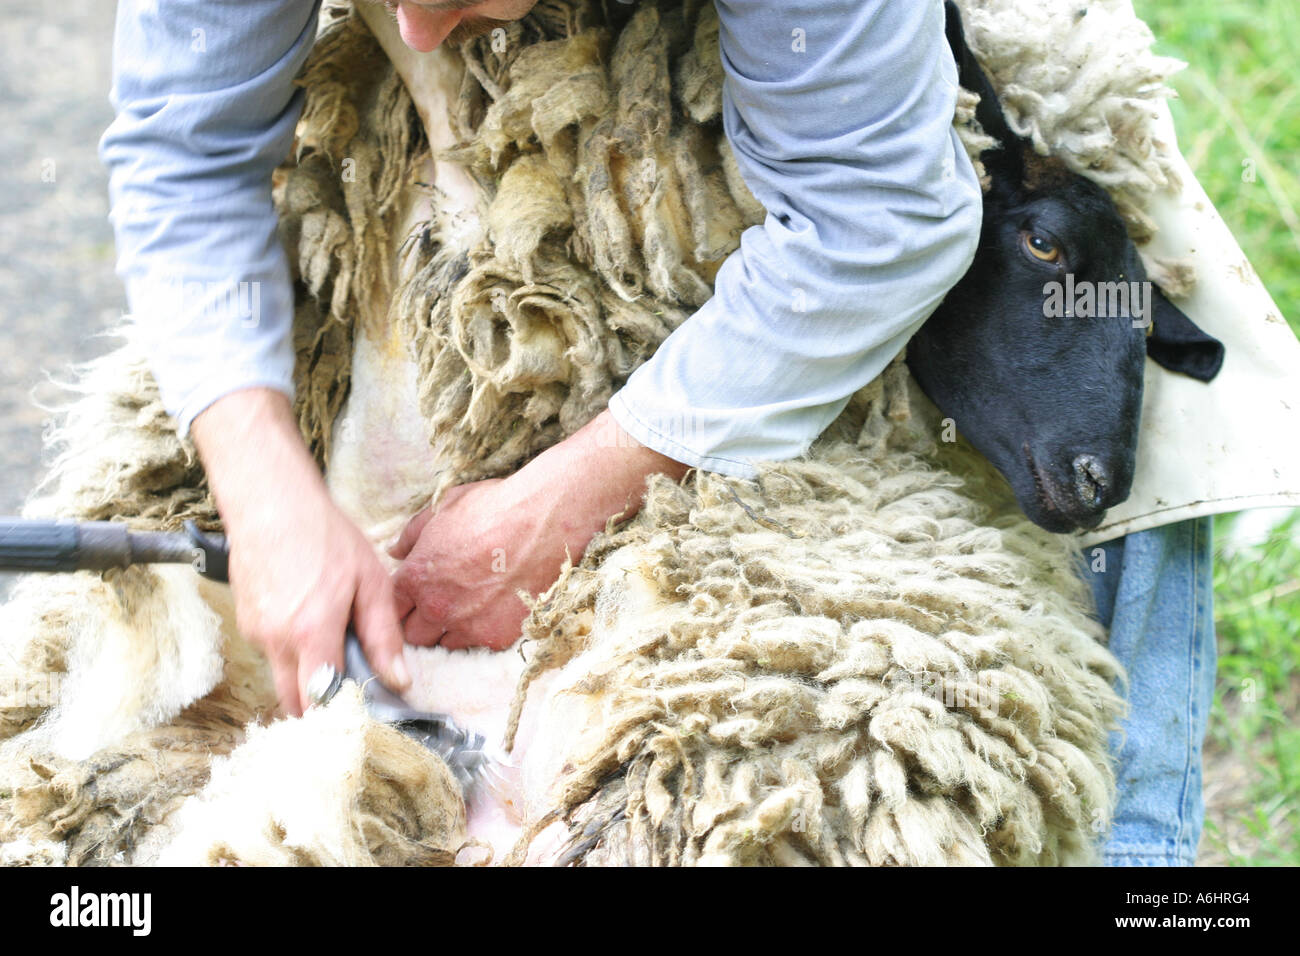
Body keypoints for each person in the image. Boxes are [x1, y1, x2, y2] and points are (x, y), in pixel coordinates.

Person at [99, 0, 1204, 865]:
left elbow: (883, 210)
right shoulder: (418, 25)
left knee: (917, 711)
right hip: (462, 198)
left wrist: (563, 499)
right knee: (116, 749)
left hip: (851, 133)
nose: (418, 21)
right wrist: (263, 488)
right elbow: (181, 146)